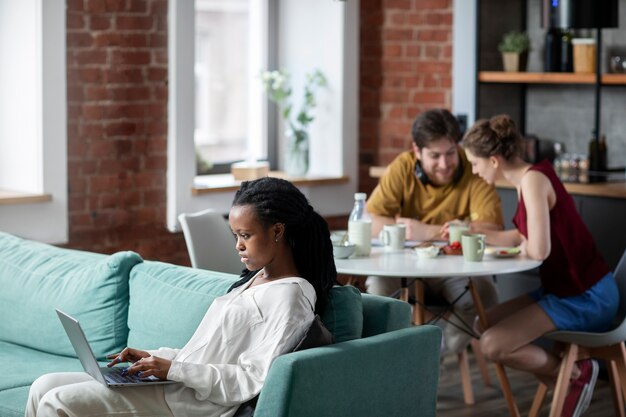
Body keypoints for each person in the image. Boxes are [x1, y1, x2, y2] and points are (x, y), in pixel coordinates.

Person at [25, 177, 337, 417]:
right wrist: (154, 357)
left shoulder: (291, 298)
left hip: (194, 405)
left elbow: (250, 379)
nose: (237, 246)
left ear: (278, 232)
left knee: (57, 402)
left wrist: (171, 370)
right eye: (236, 236)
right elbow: (208, 352)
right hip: (177, 385)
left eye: (245, 236)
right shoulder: (256, 280)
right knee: (43, 386)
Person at [462, 114, 618, 417]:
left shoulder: (533, 182)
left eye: (474, 163)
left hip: (586, 295)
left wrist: (521, 245)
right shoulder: (529, 178)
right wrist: (478, 232)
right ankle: (569, 381)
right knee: (483, 324)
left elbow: (538, 249)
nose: (473, 170)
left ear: (493, 160)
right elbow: (523, 236)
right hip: (564, 290)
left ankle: (574, 375)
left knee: (492, 344)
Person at [366, 108, 504, 355]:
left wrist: (425, 231)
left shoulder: (474, 168)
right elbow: (372, 221)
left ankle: (430, 353)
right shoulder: (402, 167)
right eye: (434, 155)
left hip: (454, 266)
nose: (445, 164)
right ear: (416, 151)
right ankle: (397, 356)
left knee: (484, 295)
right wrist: (407, 230)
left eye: (451, 153)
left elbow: (493, 228)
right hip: (402, 265)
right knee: (376, 291)